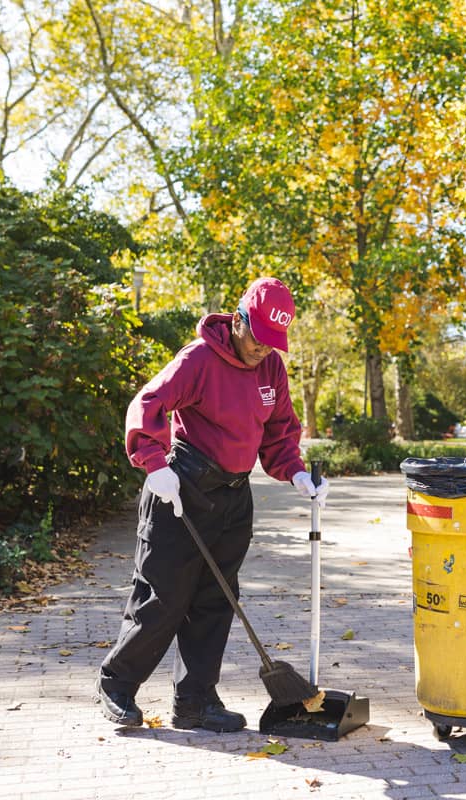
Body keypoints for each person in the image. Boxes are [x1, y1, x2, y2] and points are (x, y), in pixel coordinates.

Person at [97, 276, 330, 732]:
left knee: (216, 600)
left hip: (234, 495)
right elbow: (150, 402)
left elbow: (280, 430)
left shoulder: (271, 370)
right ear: (239, 320)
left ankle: (195, 701)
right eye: (259, 338)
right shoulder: (200, 358)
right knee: (162, 598)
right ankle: (116, 685)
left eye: (274, 342)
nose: (266, 349)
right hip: (181, 488)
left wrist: (296, 472)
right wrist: (153, 462)